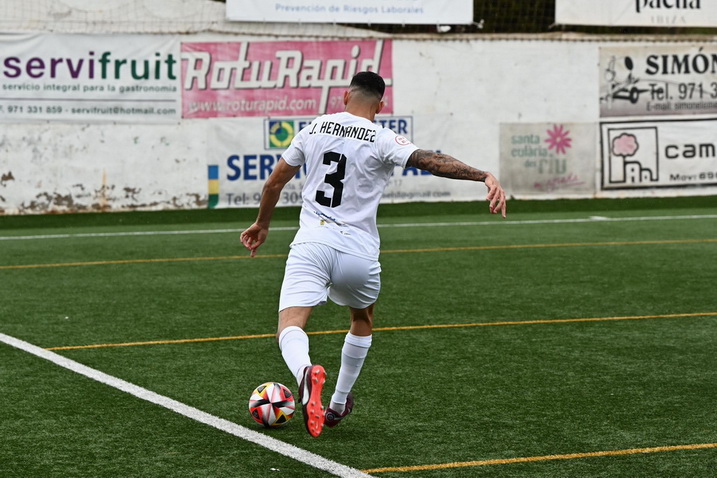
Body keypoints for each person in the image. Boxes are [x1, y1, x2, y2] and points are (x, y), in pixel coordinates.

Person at [240, 71, 506, 437]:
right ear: (380, 106)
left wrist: (262, 224)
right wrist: (483, 176)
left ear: (345, 96)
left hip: (312, 243)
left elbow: (275, 182)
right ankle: (337, 404)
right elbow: (430, 160)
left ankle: (304, 374)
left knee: (291, 325)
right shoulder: (381, 137)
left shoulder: (314, 128)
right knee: (362, 318)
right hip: (358, 253)